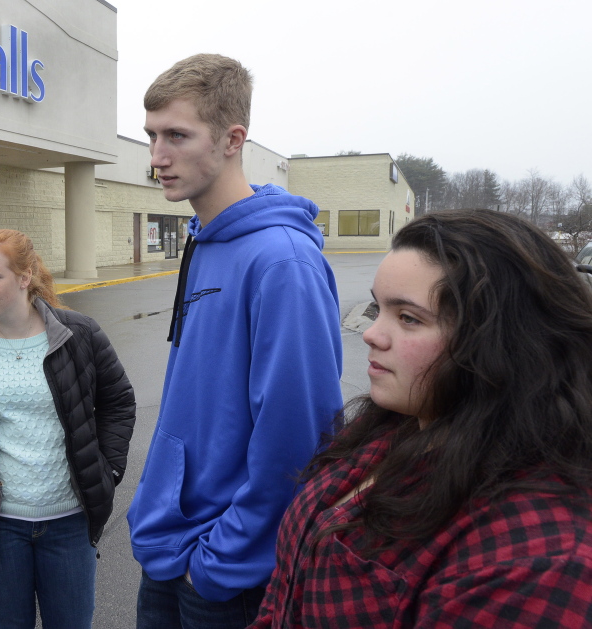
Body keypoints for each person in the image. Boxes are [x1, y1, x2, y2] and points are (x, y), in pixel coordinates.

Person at [250, 209, 592, 628]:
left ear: (502, 342)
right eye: (379, 309)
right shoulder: (393, 425)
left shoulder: (538, 558)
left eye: (409, 318)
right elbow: (286, 592)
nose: (372, 333)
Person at [126, 53, 344, 628]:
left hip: (224, 573)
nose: (157, 157)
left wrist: (224, 560)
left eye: (177, 135)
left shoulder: (282, 261)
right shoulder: (203, 239)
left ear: (232, 139)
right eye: (151, 136)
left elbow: (299, 437)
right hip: (170, 549)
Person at [0, 229, 136, 629]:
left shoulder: (80, 335)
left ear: (24, 277)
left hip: (70, 521)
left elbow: (118, 402)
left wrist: (106, 471)